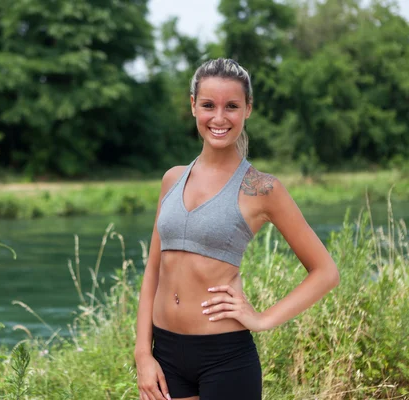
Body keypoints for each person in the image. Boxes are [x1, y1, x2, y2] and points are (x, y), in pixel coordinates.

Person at [134, 58, 340, 400]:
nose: (218, 118)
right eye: (208, 105)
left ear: (248, 110)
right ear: (193, 106)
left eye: (231, 106)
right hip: (166, 354)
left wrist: (262, 319)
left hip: (225, 358)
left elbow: (325, 272)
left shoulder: (261, 188)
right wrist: (143, 354)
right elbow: (152, 272)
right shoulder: (171, 179)